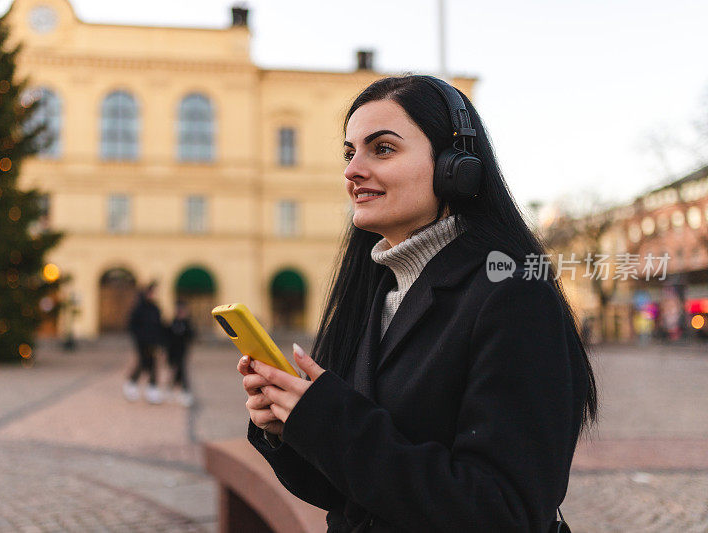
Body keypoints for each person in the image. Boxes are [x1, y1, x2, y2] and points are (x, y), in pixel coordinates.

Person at [238, 75, 599, 532]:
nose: (352, 170)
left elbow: (504, 510)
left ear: (456, 166)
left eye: (382, 149)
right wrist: (287, 427)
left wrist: (329, 421)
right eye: (350, 153)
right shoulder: (376, 292)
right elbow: (349, 495)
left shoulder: (511, 294)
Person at [125, 281, 165, 404]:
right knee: (143, 363)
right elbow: (132, 326)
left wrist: (161, 340)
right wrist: (140, 337)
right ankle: (133, 384)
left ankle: (151, 389)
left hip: (153, 342)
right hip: (142, 342)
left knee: (152, 364)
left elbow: (159, 325)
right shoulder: (139, 309)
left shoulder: (156, 309)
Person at [165, 299, 196, 406]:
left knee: (181, 372)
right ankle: (174, 390)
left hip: (182, 352)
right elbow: (167, 337)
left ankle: (183, 392)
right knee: (176, 372)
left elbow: (192, 336)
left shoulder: (187, 323)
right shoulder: (172, 323)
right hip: (172, 352)